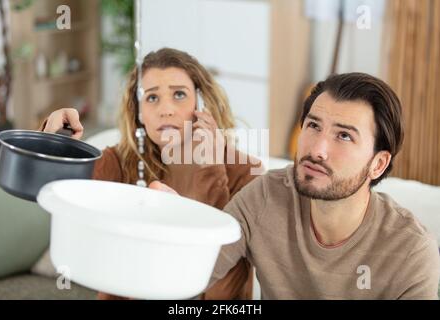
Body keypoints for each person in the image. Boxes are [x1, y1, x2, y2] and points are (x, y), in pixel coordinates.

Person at [152, 72, 440, 299]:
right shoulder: (265, 197)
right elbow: (188, 275)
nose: (317, 149)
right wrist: (177, 224)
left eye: (344, 136)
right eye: (313, 126)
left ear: (377, 164)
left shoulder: (411, 253)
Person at [39, 47, 264, 300]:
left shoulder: (245, 173)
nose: (165, 109)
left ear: (203, 104)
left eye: (179, 94)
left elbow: (225, 295)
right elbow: (51, 190)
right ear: (139, 112)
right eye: (152, 98)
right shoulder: (121, 162)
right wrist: (57, 144)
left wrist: (209, 169)